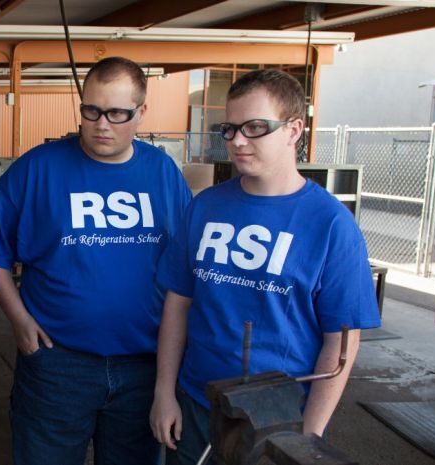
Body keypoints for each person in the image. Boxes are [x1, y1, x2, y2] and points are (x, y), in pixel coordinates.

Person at [149, 69, 381, 464]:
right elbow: (178, 303)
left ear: (294, 130)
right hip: (196, 403)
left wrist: (309, 436)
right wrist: (164, 392)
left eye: (255, 127)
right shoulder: (205, 206)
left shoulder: (329, 225)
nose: (238, 140)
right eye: (230, 128)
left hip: (278, 416)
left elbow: (340, 342)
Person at [0, 56, 191, 465]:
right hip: (57, 365)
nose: (102, 124)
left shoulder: (163, 172)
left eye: (118, 113)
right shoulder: (36, 169)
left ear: (142, 112)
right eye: (92, 110)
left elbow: (184, 270)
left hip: (144, 365)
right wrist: (17, 319)